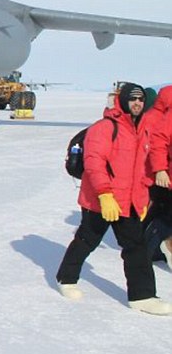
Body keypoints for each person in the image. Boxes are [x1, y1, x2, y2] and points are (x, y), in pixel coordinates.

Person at [55, 82, 171, 315]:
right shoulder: (105, 127)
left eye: (140, 100)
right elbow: (94, 163)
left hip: (128, 201)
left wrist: (143, 198)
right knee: (87, 240)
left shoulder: (143, 130)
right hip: (101, 200)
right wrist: (105, 195)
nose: (137, 103)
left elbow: (142, 170)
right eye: (132, 99)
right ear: (123, 101)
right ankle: (66, 278)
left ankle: (143, 296)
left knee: (135, 246)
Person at [143, 85, 172, 265]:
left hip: (158, 174)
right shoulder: (164, 117)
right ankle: (159, 248)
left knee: (159, 213)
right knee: (164, 216)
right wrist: (160, 169)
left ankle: (150, 250)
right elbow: (158, 141)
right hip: (159, 174)